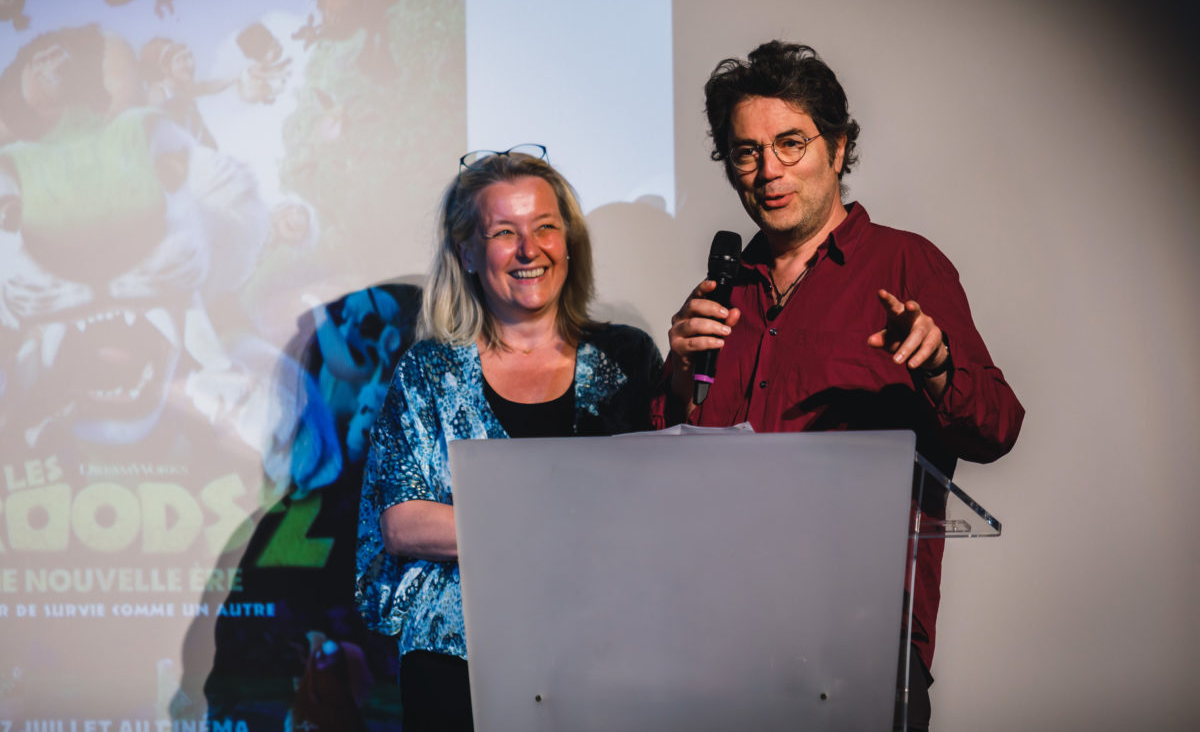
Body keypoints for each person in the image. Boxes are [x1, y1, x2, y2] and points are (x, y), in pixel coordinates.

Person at [655, 41, 1025, 730]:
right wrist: (676, 376)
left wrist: (938, 368)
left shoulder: (905, 265)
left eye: (790, 143)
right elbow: (658, 470)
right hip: (716, 634)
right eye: (746, 151)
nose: (768, 170)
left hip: (856, 636)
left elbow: (998, 425)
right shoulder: (722, 292)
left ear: (838, 146)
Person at [356, 145, 662, 731]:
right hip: (457, 663)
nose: (529, 249)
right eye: (503, 232)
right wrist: (563, 521)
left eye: (545, 227)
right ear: (467, 252)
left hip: (605, 650)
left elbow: (659, 501)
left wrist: (489, 523)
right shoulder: (429, 371)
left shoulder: (628, 357)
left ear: (569, 242)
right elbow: (403, 522)